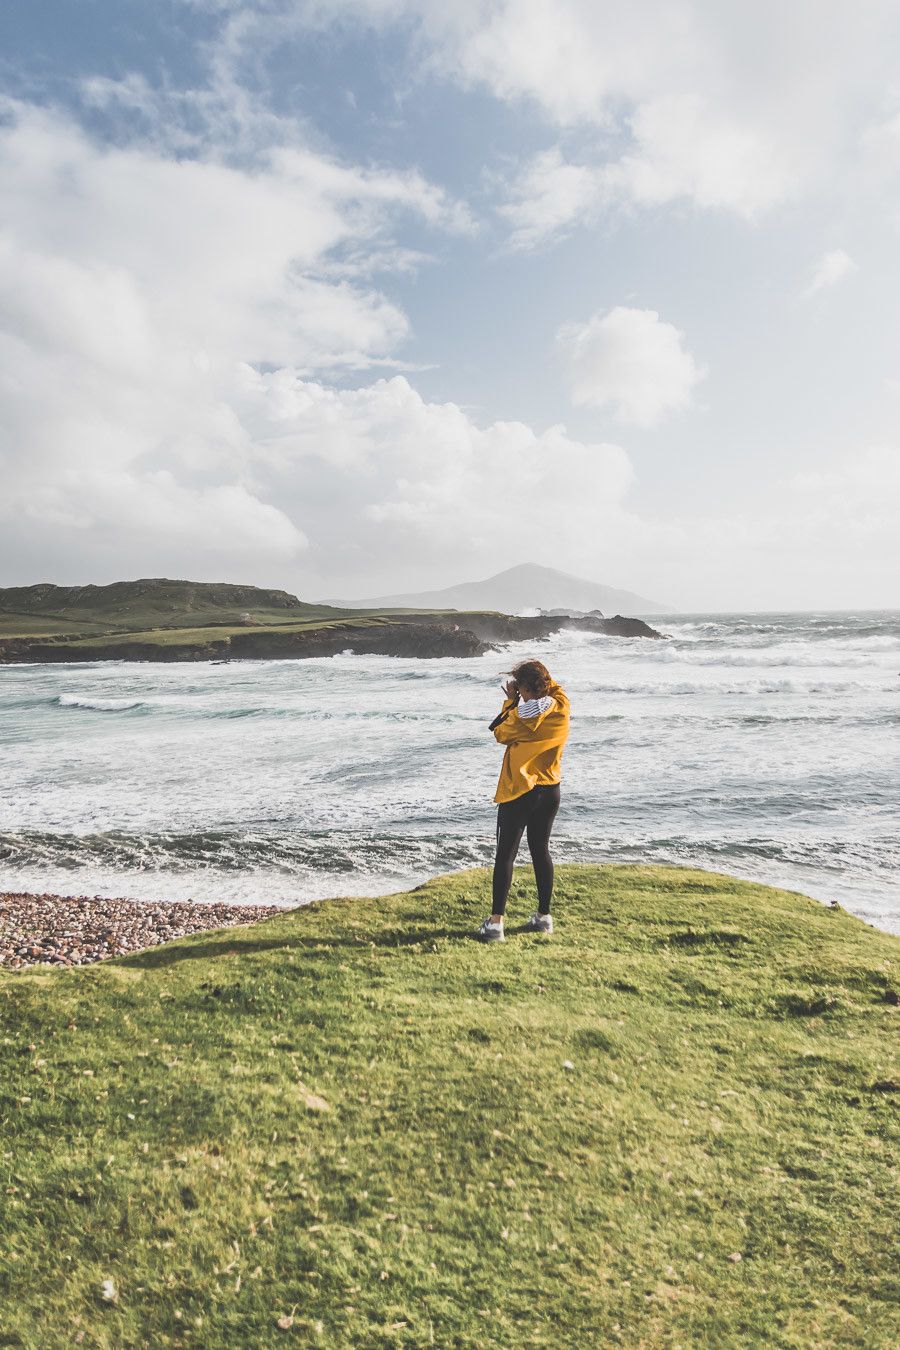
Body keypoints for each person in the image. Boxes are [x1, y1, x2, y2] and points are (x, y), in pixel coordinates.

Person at [476, 659, 571, 942]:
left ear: (525, 689)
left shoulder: (520, 720)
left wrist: (510, 702)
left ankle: (495, 925)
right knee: (541, 851)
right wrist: (537, 683)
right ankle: (543, 918)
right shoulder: (561, 707)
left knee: (506, 855)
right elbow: (556, 688)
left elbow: (499, 732)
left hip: (519, 792)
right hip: (550, 790)